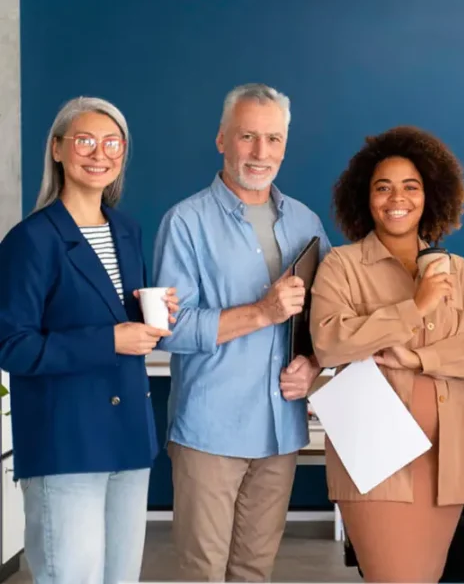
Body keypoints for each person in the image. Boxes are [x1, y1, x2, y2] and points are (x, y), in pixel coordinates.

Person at [152, 83, 331, 581]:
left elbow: (327, 318)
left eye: (272, 139)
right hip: (211, 431)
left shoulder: (306, 221)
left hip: (280, 430)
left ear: (285, 145)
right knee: (201, 571)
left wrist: (314, 365)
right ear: (221, 140)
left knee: (254, 570)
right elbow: (171, 330)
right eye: (247, 137)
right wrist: (261, 311)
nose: (260, 152)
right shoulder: (185, 222)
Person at [309, 125, 464, 583]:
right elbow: (329, 342)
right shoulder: (342, 265)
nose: (398, 198)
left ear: (430, 196)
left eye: (411, 186)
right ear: (365, 197)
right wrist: (414, 307)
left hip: (449, 459)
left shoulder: (454, 269)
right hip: (377, 453)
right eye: (383, 187)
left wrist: (418, 360)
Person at [0, 97, 179, 584]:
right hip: (66, 442)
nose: (99, 153)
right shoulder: (30, 240)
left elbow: (110, 315)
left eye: (112, 143)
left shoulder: (125, 229)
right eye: (84, 140)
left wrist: (150, 314)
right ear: (57, 149)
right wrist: (110, 339)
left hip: (127, 438)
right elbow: (12, 345)